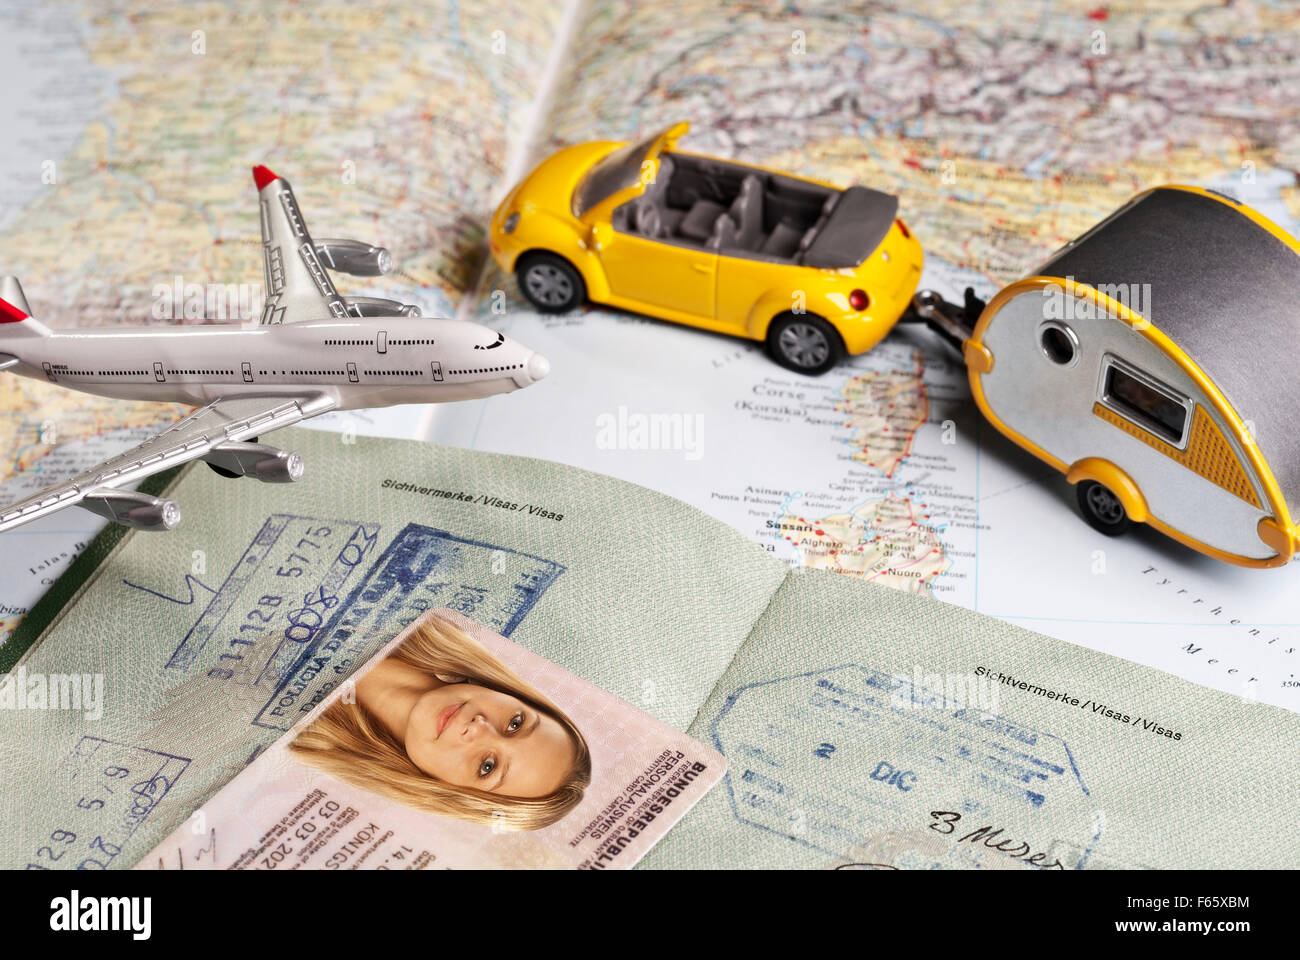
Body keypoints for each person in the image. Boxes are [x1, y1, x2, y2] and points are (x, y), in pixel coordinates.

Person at [290, 613, 591, 831]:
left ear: (447, 792)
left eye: (488, 766)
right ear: (514, 695)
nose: (479, 728)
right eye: (515, 723)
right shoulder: (446, 616)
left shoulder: (302, 748)